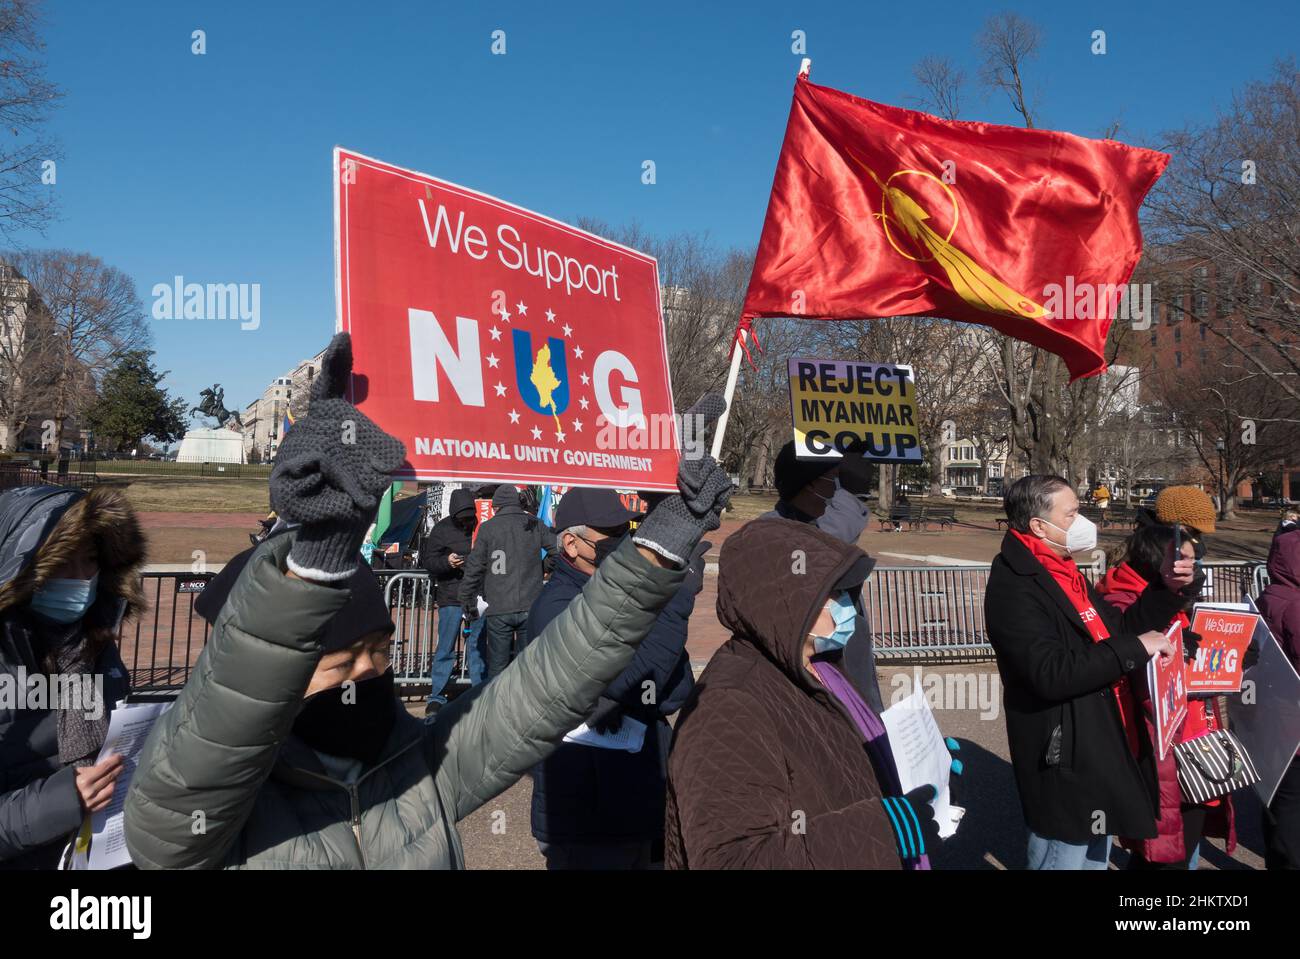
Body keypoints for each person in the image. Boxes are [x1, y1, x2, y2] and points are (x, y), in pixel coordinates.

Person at [123, 333, 733, 869]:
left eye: (382, 651)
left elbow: (553, 683)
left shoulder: (419, 767)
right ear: (278, 665)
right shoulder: (208, 812)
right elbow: (188, 793)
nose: (371, 674)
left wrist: (664, 538)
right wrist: (319, 555)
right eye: (341, 662)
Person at [665, 518, 955, 869]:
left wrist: (921, 767)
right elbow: (732, 859)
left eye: (848, 592)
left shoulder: (821, 667)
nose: (846, 605)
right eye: (832, 594)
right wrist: (884, 831)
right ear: (783, 599)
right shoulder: (728, 704)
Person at [986, 474, 1198, 870]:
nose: (1084, 522)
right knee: (1061, 857)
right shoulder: (1014, 583)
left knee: (1093, 860)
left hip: (1099, 742)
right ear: (1038, 526)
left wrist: (1167, 590)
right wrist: (1134, 648)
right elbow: (1048, 672)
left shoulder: (1063, 569)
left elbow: (1116, 631)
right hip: (1064, 752)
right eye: (1073, 513)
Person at [526, 487, 705, 869]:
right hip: (591, 816)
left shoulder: (620, 596)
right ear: (571, 544)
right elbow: (643, 682)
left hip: (641, 801)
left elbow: (674, 690)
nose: (626, 543)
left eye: (629, 531)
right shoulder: (556, 609)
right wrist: (673, 596)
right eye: (612, 535)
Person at [1097, 487, 1243, 870]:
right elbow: (1132, 648)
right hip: (1160, 741)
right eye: (1192, 542)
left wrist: (1228, 655)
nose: (1194, 558)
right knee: (1163, 853)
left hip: (1189, 738)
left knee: (1178, 846)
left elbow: (1180, 642)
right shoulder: (1129, 590)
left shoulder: (1164, 588)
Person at [0, 484, 144, 869]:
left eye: (91, 559)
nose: (81, 578)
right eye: (63, 561)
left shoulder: (96, 644)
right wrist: (65, 801)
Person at [764, 439, 883, 711]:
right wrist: (851, 496)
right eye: (833, 480)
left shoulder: (814, 523)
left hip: (849, 682)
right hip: (809, 692)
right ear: (809, 486)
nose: (836, 489)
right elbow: (819, 549)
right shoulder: (770, 531)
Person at [459, 485, 557, 678]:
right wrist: (544, 567)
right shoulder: (534, 523)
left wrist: (466, 598)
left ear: (497, 507)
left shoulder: (487, 528)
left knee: (497, 667)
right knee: (527, 665)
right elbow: (557, 549)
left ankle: (498, 706)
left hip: (499, 605)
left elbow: (474, 567)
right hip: (530, 602)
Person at [420, 488, 487, 716]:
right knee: (445, 648)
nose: (467, 522)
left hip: (477, 597)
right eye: (463, 518)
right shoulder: (441, 529)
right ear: (454, 514)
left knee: (477, 649)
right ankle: (437, 696)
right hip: (451, 597)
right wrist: (447, 562)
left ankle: (479, 694)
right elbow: (428, 561)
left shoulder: (482, 526)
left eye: (470, 517)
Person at [1258, 513, 1300, 869]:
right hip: (1294, 722)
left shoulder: (1272, 593)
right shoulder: (1296, 605)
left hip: (1276, 721)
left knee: (1279, 803)